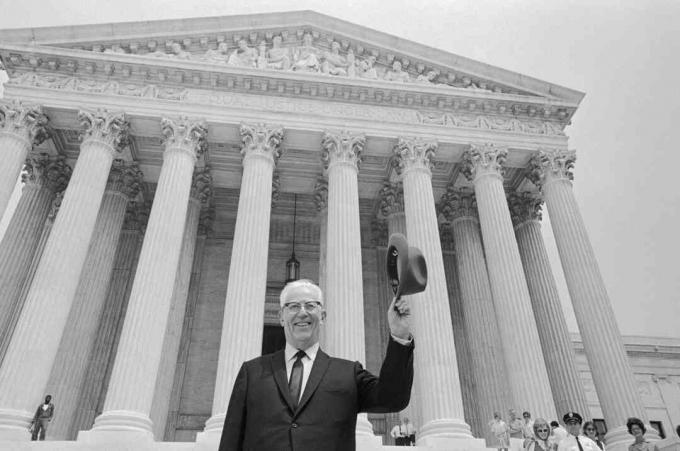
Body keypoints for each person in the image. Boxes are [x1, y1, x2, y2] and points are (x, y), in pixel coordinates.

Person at [219, 279, 414, 451]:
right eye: (293, 306)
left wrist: (399, 335)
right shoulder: (251, 372)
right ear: (281, 317)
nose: (302, 313)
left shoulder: (348, 374)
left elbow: (393, 398)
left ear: (322, 316)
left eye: (310, 306)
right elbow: (231, 440)